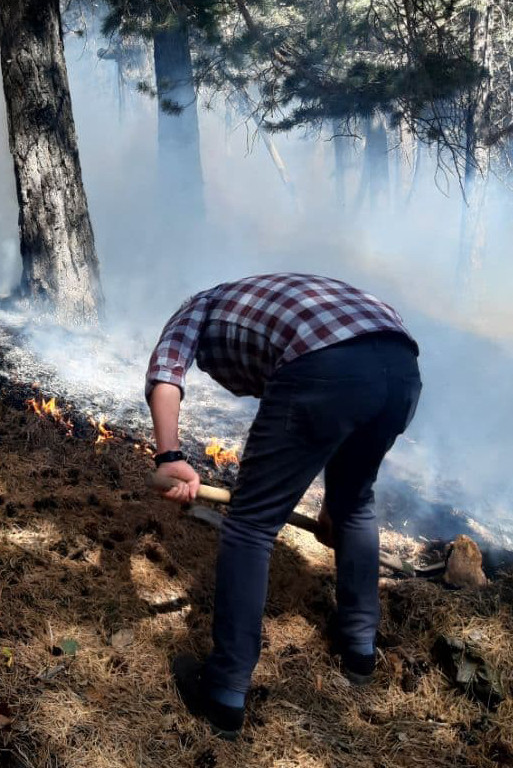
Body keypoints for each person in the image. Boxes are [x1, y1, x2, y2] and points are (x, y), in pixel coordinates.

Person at [145, 273, 420, 739]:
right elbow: (347, 389)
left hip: (328, 366)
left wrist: (169, 456)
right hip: (401, 368)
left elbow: (166, 373)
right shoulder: (275, 297)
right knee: (354, 506)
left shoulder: (197, 308)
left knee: (250, 524)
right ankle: (359, 653)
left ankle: (223, 692)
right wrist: (334, 501)